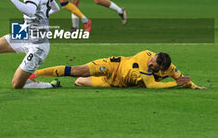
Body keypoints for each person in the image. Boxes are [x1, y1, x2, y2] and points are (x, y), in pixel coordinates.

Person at [29, 50, 207, 89]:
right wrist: (174, 84)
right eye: (151, 60)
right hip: (112, 67)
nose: (150, 63)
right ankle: (34, 74)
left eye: (154, 64)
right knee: (77, 71)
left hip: (116, 83)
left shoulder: (168, 68)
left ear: (162, 68)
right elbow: (152, 86)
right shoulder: (143, 60)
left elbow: (181, 76)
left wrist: (192, 86)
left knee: (79, 82)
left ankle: (53, 82)